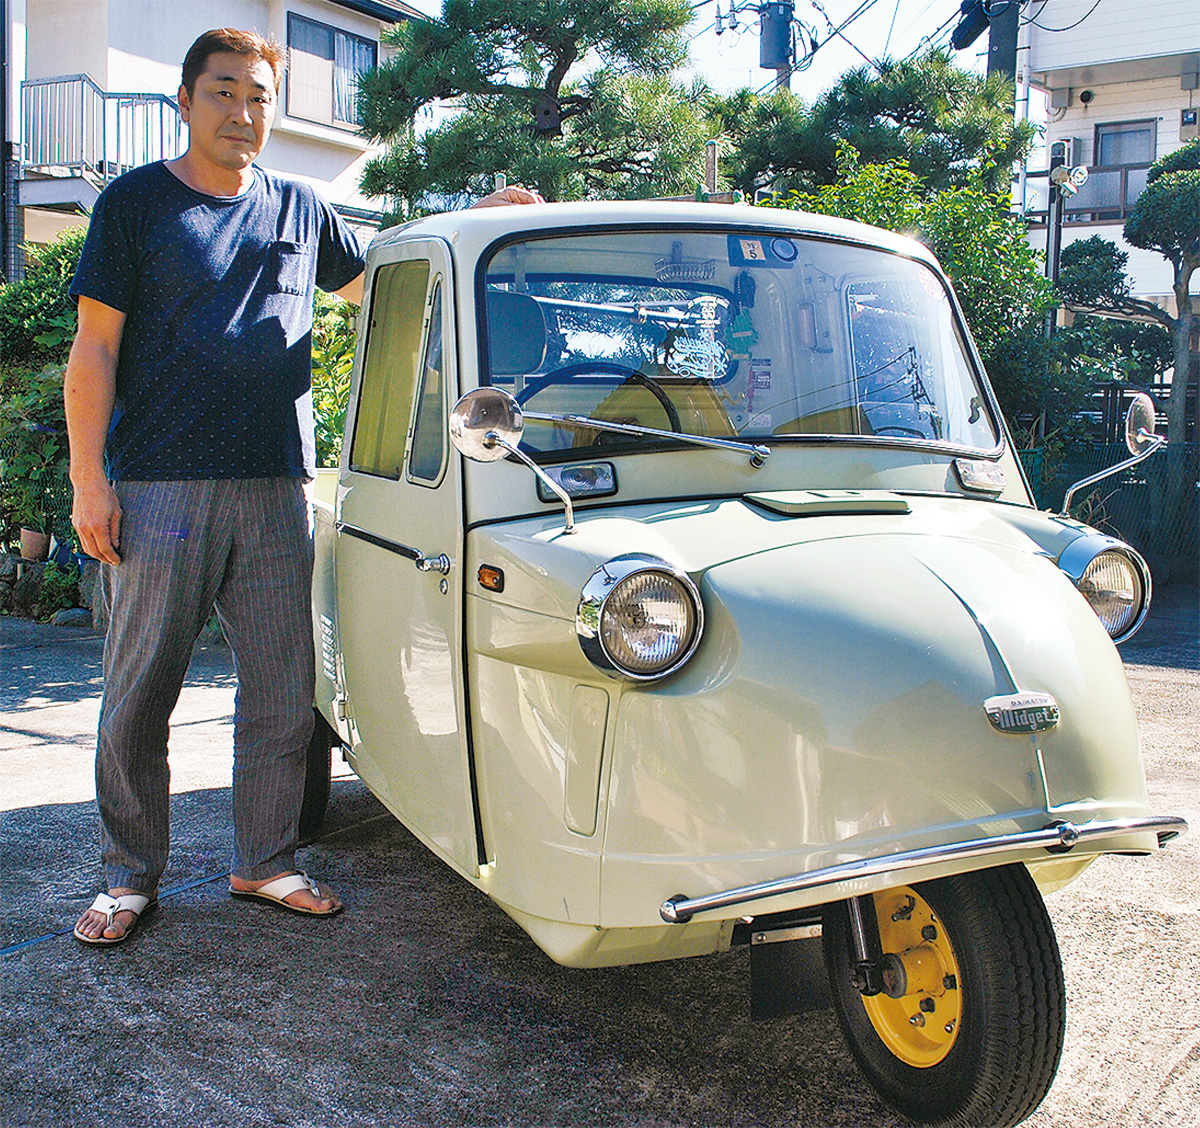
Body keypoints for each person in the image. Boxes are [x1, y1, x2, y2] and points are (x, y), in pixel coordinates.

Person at [67, 27, 541, 945]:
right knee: (140, 693)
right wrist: (93, 481)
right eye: (224, 92)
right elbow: (93, 348)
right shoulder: (134, 205)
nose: (243, 112)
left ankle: (265, 860)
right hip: (162, 488)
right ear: (186, 100)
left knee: (285, 688)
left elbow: (382, 283)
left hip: (276, 486)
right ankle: (127, 877)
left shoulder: (299, 204)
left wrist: (474, 216)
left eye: (258, 96)